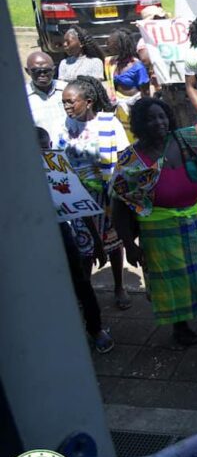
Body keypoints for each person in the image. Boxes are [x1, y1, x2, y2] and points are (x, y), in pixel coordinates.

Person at [110, 98, 197, 346]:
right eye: (150, 118)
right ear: (139, 124)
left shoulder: (184, 140)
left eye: (162, 116)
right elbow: (120, 205)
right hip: (159, 230)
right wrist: (129, 244)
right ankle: (180, 328)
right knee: (171, 281)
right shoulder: (132, 158)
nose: (159, 122)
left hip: (194, 221)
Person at [58, 76, 132, 309]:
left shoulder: (109, 124)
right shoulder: (66, 127)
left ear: (88, 101)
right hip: (78, 199)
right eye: (64, 103)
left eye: (71, 102)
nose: (67, 107)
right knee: (84, 246)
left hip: (108, 196)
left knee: (113, 242)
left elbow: (123, 159)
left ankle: (119, 286)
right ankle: (86, 292)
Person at [37, 126, 113, 353]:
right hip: (36, 244)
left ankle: (95, 329)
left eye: (46, 147)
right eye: (37, 149)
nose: (44, 153)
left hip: (63, 236)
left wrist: (98, 243)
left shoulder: (58, 169)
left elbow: (80, 204)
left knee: (82, 284)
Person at [104, 29, 151, 139]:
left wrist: (144, 112)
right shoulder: (111, 63)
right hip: (119, 107)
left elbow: (146, 92)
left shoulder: (137, 66)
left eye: (110, 43)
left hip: (134, 106)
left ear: (119, 46)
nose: (107, 46)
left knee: (135, 135)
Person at [25, 51, 68, 141]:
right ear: (27, 71)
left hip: (68, 150)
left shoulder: (67, 90)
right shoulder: (22, 97)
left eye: (47, 70)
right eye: (36, 71)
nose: (42, 74)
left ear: (54, 70)